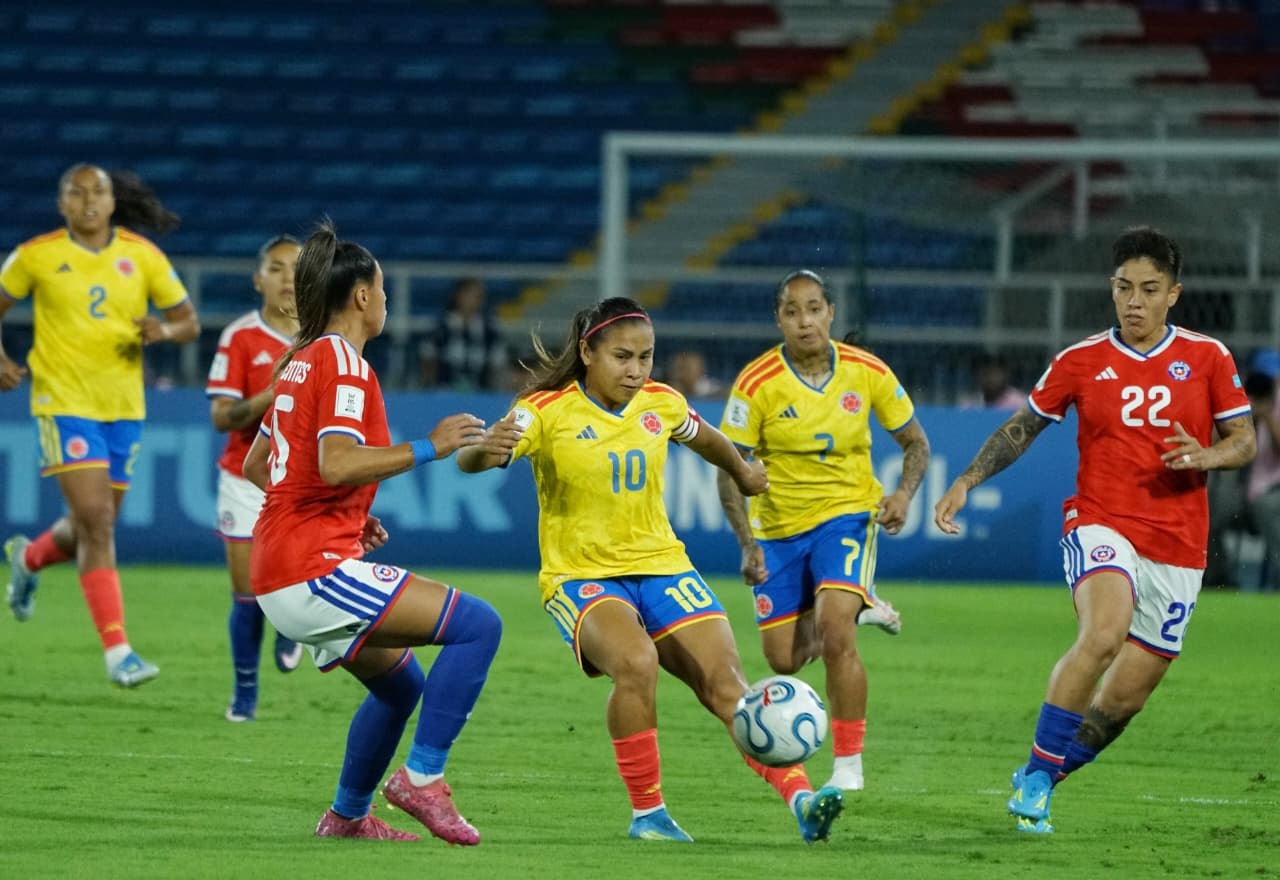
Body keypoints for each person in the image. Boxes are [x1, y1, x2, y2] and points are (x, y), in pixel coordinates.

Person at [456, 296, 845, 844]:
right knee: (636, 663)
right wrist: (483, 451)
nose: (636, 370)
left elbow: (707, 438)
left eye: (645, 357)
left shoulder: (661, 402)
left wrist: (742, 470)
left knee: (727, 687)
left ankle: (802, 800)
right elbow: (474, 460)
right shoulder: (544, 409)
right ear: (587, 352)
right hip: (582, 575)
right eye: (622, 357)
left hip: (663, 567)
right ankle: (649, 815)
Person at [933, 226, 1256, 834]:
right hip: (1101, 522)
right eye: (1123, 287)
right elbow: (1023, 427)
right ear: (1111, 288)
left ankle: (1041, 773)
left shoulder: (1209, 357)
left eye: (1149, 289)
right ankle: (1037, 780)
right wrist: (968, 480)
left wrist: (1207, 455)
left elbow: (1244, 440)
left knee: (1124, 701)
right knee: (1104, 633)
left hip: (1178, 545)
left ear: (1174, 294)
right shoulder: (1080, 360)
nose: (1134, 301)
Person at [241, 222, 506, 842]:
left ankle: (346, 817)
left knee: (400, 685)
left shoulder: (301, 360)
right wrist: (429, 446)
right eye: (382, 289)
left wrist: (348, 516)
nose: (385, 300)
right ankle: (422, 779)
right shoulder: (342, 363)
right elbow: (335, 463)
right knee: (479, 624)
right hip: (309, 569)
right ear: (362, 295)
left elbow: (262, 465)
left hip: (280, 567)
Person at [716, 269, 931, 794]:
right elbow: (728, 467)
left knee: (836, 634)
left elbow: (916, 443)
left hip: (847, 516)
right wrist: (746, 544)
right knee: (783, 660)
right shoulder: (757, 383)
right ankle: (861, 605)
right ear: (779, 319)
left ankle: (848, 767)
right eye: (792, 311)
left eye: (814, 309)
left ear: (831, 312)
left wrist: (903, 495)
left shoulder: (866, 371)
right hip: (778, 530)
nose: (805, 321)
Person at [0, 164, 200, 687]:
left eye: (98, 192)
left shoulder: (142, 255)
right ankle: (119, 653)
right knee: (97, 522)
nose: (88, 200)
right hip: (63, 402)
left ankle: (28, 557)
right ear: (61, 203)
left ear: (113, 203)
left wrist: (163, 330)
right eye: (77, 192)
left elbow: (189, 322)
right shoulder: (36, 255)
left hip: (124, 408)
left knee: (94, 525)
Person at [205, 235, 305, 722]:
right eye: (277, 268)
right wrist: (272, 394)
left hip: (304, 481)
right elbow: (222, 417)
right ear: (258, 280)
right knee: (246, 595)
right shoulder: (240, 337)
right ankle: (245, 692)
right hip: (247, 478)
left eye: (297, 269)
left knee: (293, 582)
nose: (288, 278)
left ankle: (289, 624)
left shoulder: (328, 337)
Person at [418, 276, 507, 390]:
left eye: (480, 296)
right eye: (473, 295)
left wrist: (494, 390)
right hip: (444, 392)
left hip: (480, 393)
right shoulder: (440, 328)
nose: (478, 301)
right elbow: (427, 360)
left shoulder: (489, 332)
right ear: (458, 296)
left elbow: (497, 366)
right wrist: (430, 388)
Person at [959, 352, 1025, 409]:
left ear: (1005, 374)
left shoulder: (1019, 402)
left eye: (994, 373)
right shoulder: (970, 403)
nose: (990, 379)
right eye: (985, 373)